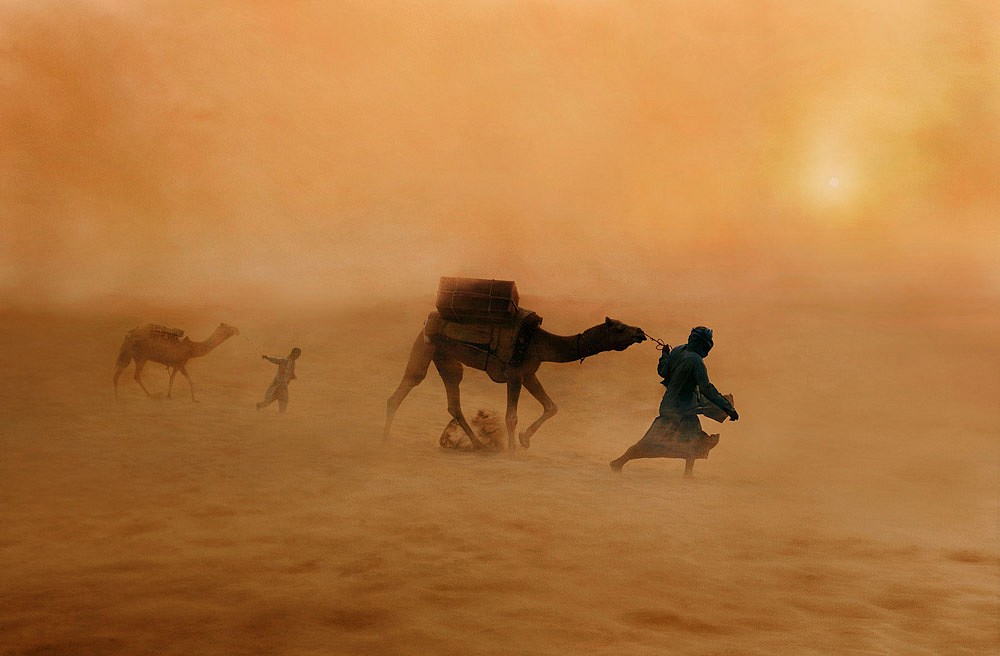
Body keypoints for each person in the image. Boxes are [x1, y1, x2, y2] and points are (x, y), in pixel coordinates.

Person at [610, 326, 738, 471]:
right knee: (649, 444)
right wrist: (727, 407)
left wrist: (665, 355)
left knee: (694, 440)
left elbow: (663, 371)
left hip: (677, 407)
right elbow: (706, 389)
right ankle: (618, 462)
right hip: (678, 410)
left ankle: (688, 474)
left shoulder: (678, 350)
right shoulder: (697, 362)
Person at [256, 347, 301, 413]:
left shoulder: (293, 362)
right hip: (279, 384)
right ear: (293, 353)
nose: (298, 357)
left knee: (275, 399)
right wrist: (267, 357)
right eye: (297, 355)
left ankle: (260, 405)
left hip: (283, 384)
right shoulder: (285, 360)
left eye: (298, 355)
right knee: (283, 399)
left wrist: (293, 375)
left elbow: (291, 370)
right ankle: (281, 414)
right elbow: (276, 360)